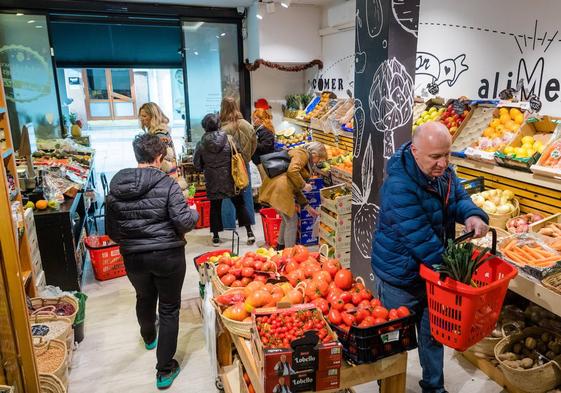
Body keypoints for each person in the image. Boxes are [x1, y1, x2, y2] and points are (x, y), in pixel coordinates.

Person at [371, 121, 489, 393]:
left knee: (434, 335)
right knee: (392, 340)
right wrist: (454, 275)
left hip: (431, 274)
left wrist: (472, 215)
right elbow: (421, 239)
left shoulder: (443, 173)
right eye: (435, 156)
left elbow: (459, 198)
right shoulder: (399, 185)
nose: (443, 163)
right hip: (400, 277)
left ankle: (434, 388)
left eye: (447, 154)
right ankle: (388, 387)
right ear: (414, 151)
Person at [105, 133, 199, 390]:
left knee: (144, 297)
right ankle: (164, 370)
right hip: (168, 254)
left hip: (133, 256)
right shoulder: (167, 184)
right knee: (169, 309)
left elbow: (112, 232)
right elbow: (184, 222)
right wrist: (194, 212)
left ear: (137, 156)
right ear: (159, 158)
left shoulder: (115, 189)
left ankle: (148, 337)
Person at [194, 113, 254, 246]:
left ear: (204, 127)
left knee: (215, 207)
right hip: (231, 179)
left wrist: (207, 166)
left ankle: (216, 237)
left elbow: (197, 165)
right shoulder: (229, 139)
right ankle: (250, 233)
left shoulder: (201, 144)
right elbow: (238, 154)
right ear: (219, 125)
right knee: (240, 204)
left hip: (213, 181)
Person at [259, 142, 327, 249]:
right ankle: (288, 254)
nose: (318, 162)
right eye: (319, 159)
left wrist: (306, 206)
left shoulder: (300, 155)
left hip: (277, 188)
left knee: (286, 219)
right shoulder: (303, 154)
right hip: (280, 189)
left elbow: (294, 186)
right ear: (314, 154)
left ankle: (280, 248)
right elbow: (292, 171)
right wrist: (304, 185)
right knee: (292, 220)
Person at [219, 97, 257, 230]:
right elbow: (254, 144)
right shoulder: (247, 124)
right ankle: (249, 220)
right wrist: (246, 157)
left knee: (228, 194)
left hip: (227, 165)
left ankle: (229, 224)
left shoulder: (222, 128)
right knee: (246, 192)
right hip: (244, 163)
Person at [139, 102, 178, 179]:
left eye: (144, 116)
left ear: (153, 117)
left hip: (164, 177)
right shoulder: (157, 132)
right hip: (165, 175)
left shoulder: (159, 134)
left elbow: (164, 159)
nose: (141, 119)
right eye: (141, 116)